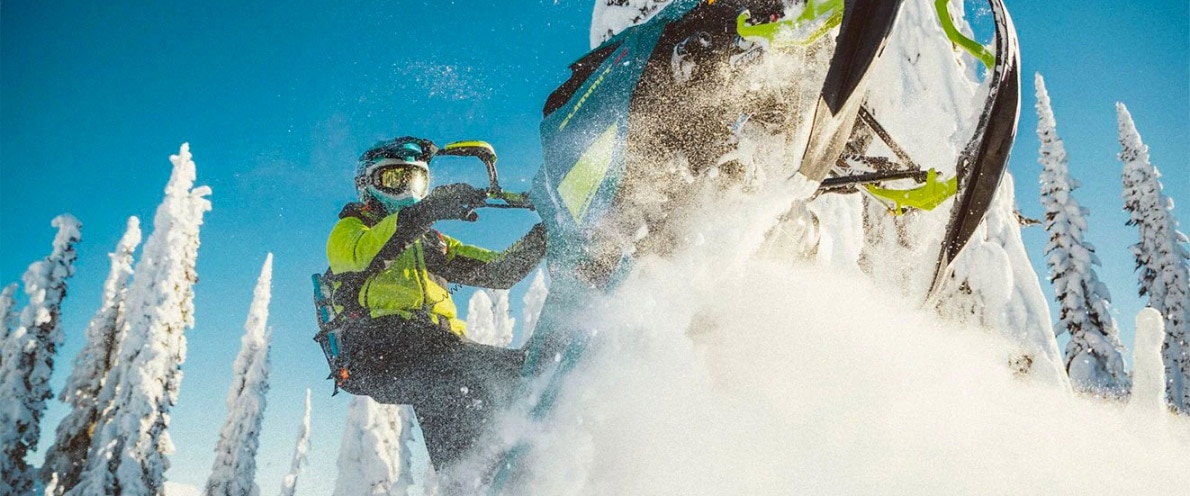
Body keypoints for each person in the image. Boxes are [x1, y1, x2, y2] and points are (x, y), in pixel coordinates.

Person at [324, 136, 546, 468]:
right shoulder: (349, 232)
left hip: (439, 346)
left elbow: (501, 271)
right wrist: (429, 210)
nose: (406, 191)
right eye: (393, 179)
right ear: (368, 185)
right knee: (449, 372)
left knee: (509, 373)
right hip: (379, 349)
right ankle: (466, 475)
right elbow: (366, 254)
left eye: (415, 180)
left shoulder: (430, 242)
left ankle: (507, 456)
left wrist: (548, 232)